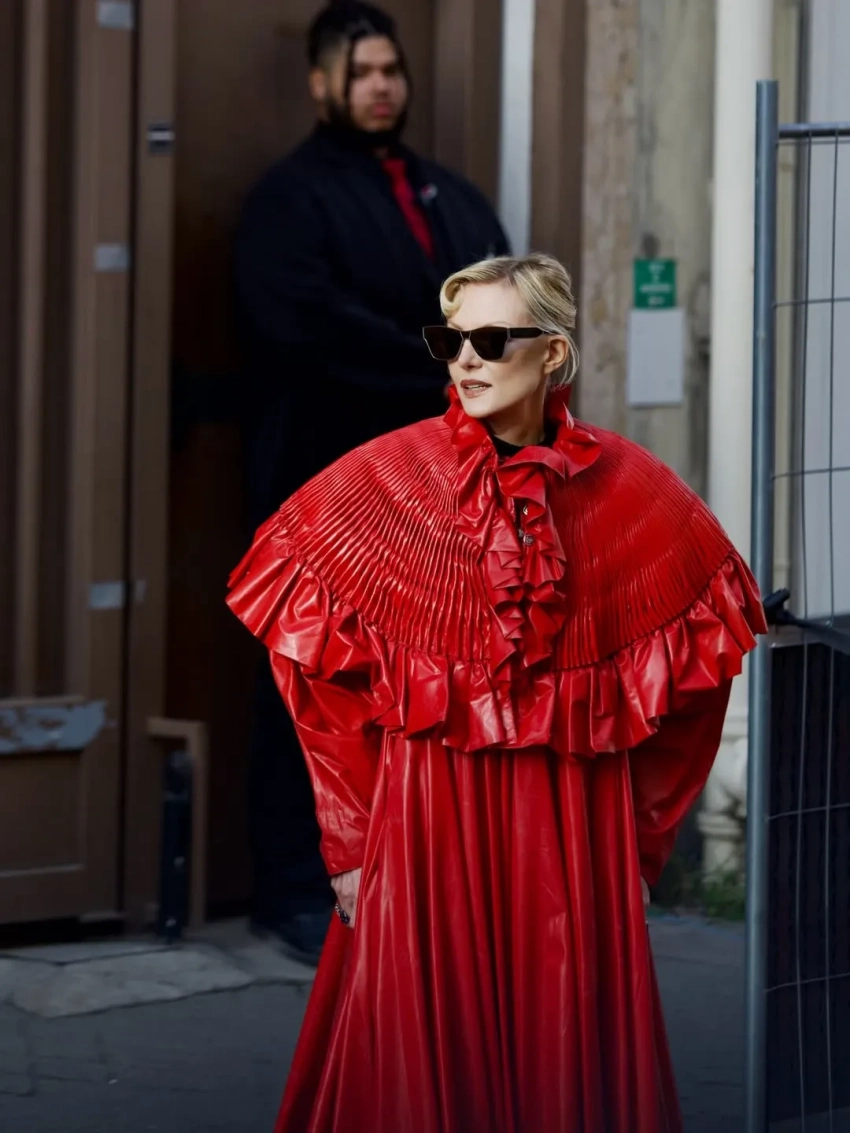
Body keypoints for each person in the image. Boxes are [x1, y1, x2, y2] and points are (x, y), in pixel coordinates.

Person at [227, 252, 767, 1131]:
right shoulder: (381, 481)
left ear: (552, 352)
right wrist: (352, 839)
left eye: (489, 339)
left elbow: (698, 682)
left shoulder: (637, 491)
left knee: (564, 1059)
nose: (466, 360)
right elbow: (313, 674)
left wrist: (635, 841)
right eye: (451, 341)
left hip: (576, 829)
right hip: (423, 826)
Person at [233, 0, 509, 963]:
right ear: (321, 85)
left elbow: (507, 310)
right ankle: (296, 889)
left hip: (443, 495)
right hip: (329, 491)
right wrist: (445, 365)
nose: (381, 86)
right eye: (360, 72)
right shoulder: (288, 201)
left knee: (430, 689)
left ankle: (420, 888)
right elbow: (306, 326)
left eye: (391, 69)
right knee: (315, 685)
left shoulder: (453, 197)